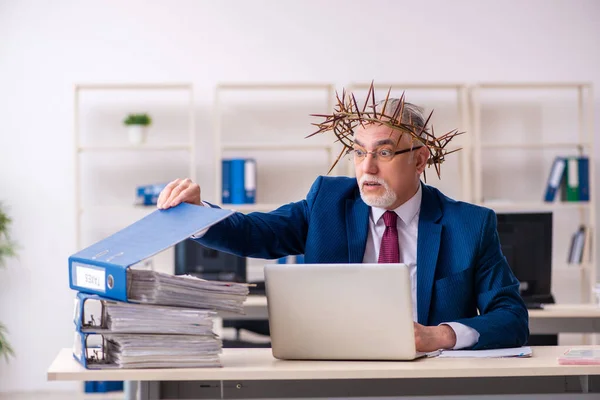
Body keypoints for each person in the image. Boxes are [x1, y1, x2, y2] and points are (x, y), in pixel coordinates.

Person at [157, 95, 529, 352]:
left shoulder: (470, 224)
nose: (366, 168)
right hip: (333, 370)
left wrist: (441, 335)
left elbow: (511, 317)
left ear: (419, 161)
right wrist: (198, 212)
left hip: (429, 377)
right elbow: (256, 233)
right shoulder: (328, 203)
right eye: (358, 151)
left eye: (383, 152)